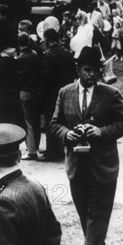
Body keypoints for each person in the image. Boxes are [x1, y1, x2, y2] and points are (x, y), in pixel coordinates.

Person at [49, 46, 123, 245]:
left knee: (97, 215)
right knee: (85, 215)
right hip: (76, 166)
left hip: (103, 166)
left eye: (96, 71)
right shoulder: (65, 93)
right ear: (78, 70)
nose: (91, 75)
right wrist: (67, 134)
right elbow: (55, 123)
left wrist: (101, 131)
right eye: (87, 70)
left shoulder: (111, 94)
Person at [39, 28, 76, 161]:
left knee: (52, 121)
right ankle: (63, 147)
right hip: (67, 91)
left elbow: (46, 77)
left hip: (52, 93)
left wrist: (41, 93)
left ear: (47, 39)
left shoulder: (48, 55)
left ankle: (52, 152)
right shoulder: (66, 53)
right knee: (63, 120)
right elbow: (73, 72)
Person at [16, 32, 41, 160]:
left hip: (24, 91)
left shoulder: (19, 59)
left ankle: (31, 150)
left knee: (28, 122)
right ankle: (35, 146)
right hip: (35, 91)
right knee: (35, 119)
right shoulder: (35, 55)